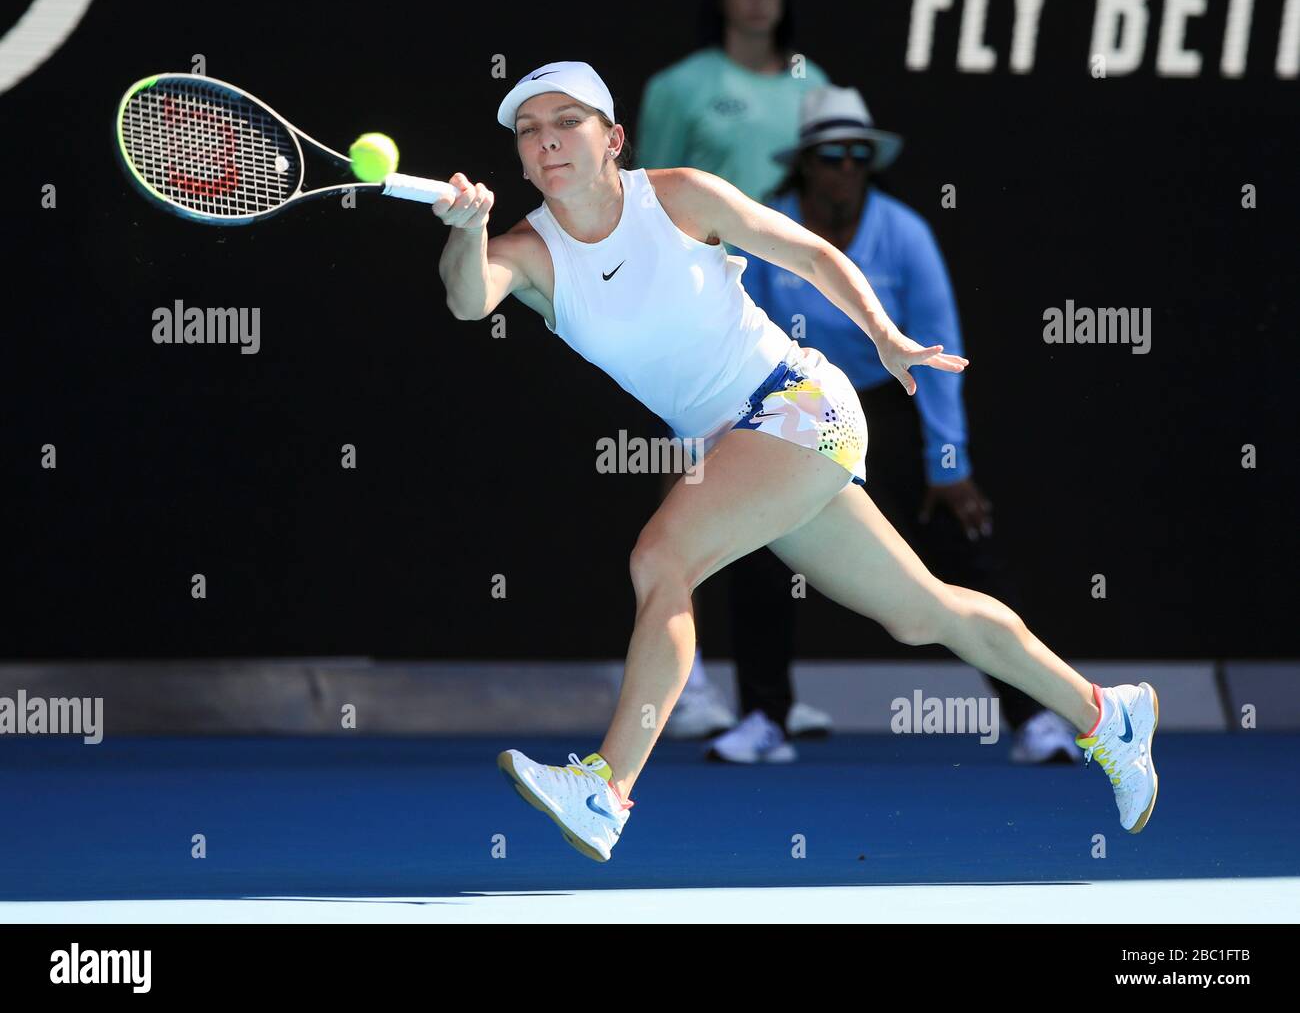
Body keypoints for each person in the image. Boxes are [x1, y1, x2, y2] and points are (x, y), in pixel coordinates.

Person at [435, 61, 1159, 862]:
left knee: (663, 557)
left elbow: (812, 256)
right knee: (923, 614)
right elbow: (470, 298)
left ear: (612, 139)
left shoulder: (678, 196)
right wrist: (467, 231)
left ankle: (606, 788)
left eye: (566, 121)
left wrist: (883, 335)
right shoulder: (528, 250)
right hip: (742, 444)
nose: (546, 140)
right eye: (529, 131)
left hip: (799, 401)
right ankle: (1107, 714)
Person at [708, 85, 1083, 765]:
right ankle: (765, 719)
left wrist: (949, 464)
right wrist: (739, 440)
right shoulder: (770, 231)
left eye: (858, 156)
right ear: (807, 166)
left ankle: (1037, 719)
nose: (845, 168)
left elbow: (940, 346)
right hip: (794, 405)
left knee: (966, 546)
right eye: (831, 155)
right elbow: (740, 335)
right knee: (757, 550)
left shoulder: (905, 233)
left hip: (891, 402)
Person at [636, 0, 835, 738]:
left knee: (785, 488)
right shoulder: (678, 87)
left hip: (790, 304)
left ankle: (768, 691)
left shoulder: (818, 88)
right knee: (688, 482)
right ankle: (683, 689)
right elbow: (640, 197)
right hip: (700, 313)